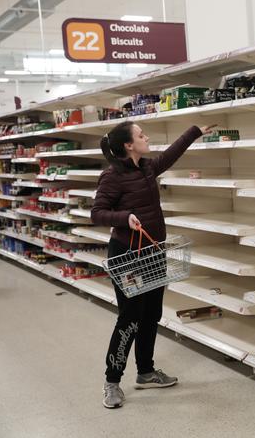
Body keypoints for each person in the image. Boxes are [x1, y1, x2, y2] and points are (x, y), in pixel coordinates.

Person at [92, 121, 215, 409]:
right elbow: (97, 212)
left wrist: (194, 131)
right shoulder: (112, 176)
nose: (147, 138)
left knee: (151, 314)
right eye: (141, 135)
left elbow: (170, 155)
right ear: (128, 145)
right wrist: (125, 219)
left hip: (153, 252)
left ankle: (146, 372)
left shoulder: (146, 168)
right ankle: (112, 382)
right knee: (130, 318)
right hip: (127, 256)